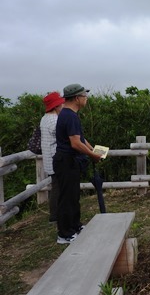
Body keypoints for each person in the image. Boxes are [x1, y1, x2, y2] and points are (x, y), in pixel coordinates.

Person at [53, 84, 102, 244]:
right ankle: (64, 234)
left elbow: (79, 138)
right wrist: (92, 155)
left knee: (73, 195)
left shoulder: (69, 114)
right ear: (76, 98)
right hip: (66, 161)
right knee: (67, 197)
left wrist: (92, 149)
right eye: (84, 96)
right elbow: (75, 143)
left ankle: (75, 226)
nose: (86, 99)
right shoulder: (70, 116)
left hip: (70, 161)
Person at [40, 92, 65, 224]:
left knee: (56, 187)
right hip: (56, 159)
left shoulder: (44, 118)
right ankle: (55, 216)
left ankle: (55, 215)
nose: (62, 105)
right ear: (56, 106)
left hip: (49, 159)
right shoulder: (54, 120)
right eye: (60, 103)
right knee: (58, 188)